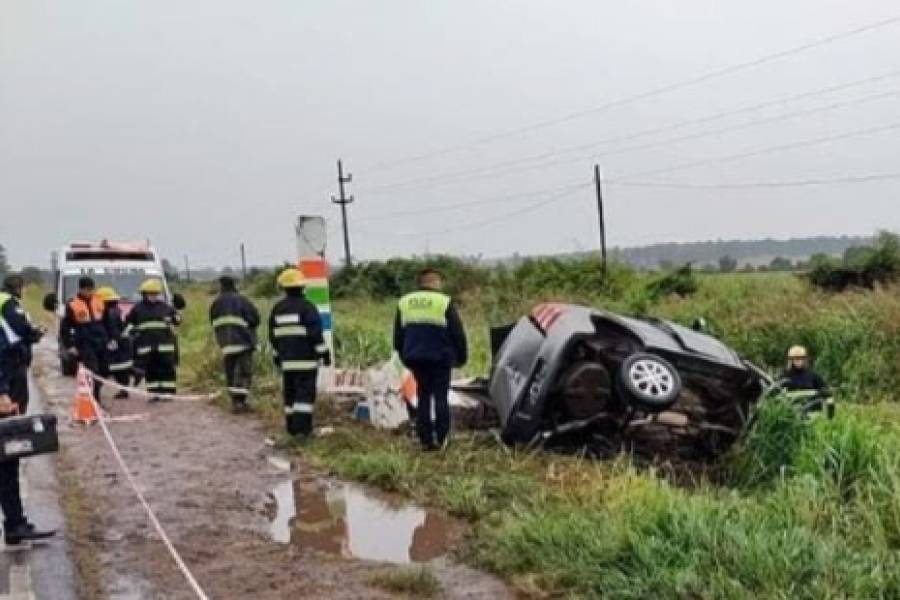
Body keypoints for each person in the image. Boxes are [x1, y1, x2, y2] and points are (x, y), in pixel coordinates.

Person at [0, 275, 56, 545]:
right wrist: (2, 392)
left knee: (9, 456)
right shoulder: (9, 306)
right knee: (8, 455)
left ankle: (15, 523)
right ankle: (14, 523)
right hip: (7, 387)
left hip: (10, 383)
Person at [393, 268, 467, 451]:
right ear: (435, 282)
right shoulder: (443, 302)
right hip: (440, 358)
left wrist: (403, 355)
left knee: (423, 395)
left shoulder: (405, 302)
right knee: (441, 396)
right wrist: (461, 356)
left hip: (415, 358)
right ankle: (442, 437)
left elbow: (398, 336)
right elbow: (457, 332)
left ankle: (425, 437)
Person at [269, 268, 330, 436]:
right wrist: (325, 354)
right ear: (303, 287)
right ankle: (303, 431)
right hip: (306, 362)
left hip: (287, 362)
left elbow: (273, 336)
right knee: (304, 395)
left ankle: (291, 428)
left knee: (290, 395)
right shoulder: (308, 308)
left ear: (283, 287)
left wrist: (277, 356)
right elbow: (315, 334)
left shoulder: (277, 309)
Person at [210, 276, 261, 413]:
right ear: (234, 285)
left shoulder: (215, 304)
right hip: (243, 341)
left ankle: (234, 401)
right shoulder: (242, 300)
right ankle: (240, 402)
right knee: (244, 372)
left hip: (225, 344)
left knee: (230, 372)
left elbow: (213, 323)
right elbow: (255, 318)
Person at [125, 278, 181, 401]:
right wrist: (131, 334)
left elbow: (178, 319)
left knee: (167, 370)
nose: (154, 296)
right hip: (147, 347)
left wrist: (173, 320)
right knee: (151, 371)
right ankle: (154, 393)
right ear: (144, 294)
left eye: (156, 294)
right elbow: (128, 324)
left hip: (165, 346)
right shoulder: (137, 309)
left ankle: (168, 393)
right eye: (151, 294)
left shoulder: (165, 307)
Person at [60, 277, 107, 400]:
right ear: (81, 289)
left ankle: (95, 395)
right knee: (93, 371)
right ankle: (94, 400)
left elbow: (106, 321)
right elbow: (65, 328)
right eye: (87, 290)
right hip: (85, 344)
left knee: (103, 371)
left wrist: (110, 338)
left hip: (101, 342)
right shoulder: (73, 305)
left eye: (91, 289)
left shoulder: (99, 301)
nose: (89, 292)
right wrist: (69, 345)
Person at [97, 286, 131, 400]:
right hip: (121, 344)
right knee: (121, 368)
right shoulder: (118, 310)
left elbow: (108, 329)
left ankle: (95, 391)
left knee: (103, 369)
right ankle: (124, 389)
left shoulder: (107, 313)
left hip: (111, 344)